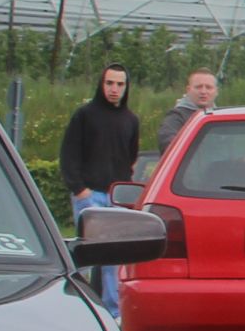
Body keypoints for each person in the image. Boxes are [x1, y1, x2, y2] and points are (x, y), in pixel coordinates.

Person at [56, 63, 140, 312]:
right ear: (101, 84)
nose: (114, 89)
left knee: (114, 259)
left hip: (116, 198)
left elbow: (131, 158)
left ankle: (113, 311)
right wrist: (80, 190)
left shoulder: (130, 120)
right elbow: (69, 155)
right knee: (85, 256)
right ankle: (76, 306)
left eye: (120, 84)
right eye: (109, 83)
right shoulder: (85, 115)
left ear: (126, 87)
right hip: (89, 196)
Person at [156, 68, 219, 157]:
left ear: (216, 91)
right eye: (198, 87)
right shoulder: (177, 116)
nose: (203, 92)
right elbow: (167, 141)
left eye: (208, 87)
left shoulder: (221, 118)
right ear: (188, 90)